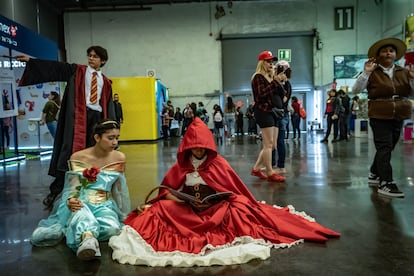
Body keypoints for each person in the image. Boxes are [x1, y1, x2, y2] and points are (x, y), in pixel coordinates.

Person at [109, 117, 340, 267]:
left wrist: (215, 199)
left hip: (214, 207)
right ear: (187, 146)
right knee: (160, 208)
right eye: (193, 146)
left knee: (238, 208)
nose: (198, 150)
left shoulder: (219, 163)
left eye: (202, 146)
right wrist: (179, 200)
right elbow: (167, 190)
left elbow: (231, 189)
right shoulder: (180, 166)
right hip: (186, 208)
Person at [17, 46, 116, 209]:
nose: (91, 59)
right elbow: (56, 68)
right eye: (89, 55)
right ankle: (55, 192)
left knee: (95, 156)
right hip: (78, 119)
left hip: (96, 120)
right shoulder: (77, 71)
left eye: (95, 57)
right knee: (70, 153)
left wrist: (110, 129)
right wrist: (32, 62)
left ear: (102, 61)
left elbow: (108, 104)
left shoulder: (105, 82)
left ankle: (92, 193)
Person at [30, 120, 130, 261]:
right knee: (83, 216)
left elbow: (118, 188)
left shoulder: (119, 158)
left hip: (104, 203)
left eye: (117, 138)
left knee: (111, 229)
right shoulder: (78, 157)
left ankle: (83, 232)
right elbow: (72, 187)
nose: (114, 142)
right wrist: (70, 199)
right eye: (110, 138)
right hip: (81, 199)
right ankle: (88, 240)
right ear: (97, 138)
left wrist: (121, 212)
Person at [352, 37, 414, 198]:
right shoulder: (373, 73)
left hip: (399, 113)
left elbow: (411, 92)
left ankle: (374, 172)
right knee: (384, 147)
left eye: (391, 51)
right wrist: (366, 72)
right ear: (378, 55)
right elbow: (356, 90)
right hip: (379, 113)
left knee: (389, 147)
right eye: (385, 51)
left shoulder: (404, 72)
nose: (388, 53)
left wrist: (413, 79)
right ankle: (386, 182)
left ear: (396, 55)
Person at [250, 50, 285, 182]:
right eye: (268, 61)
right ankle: (270, 171)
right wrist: (275, 81)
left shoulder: (270, 77)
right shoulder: (258, 77)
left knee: (272, 144)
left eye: (272, 61)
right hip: (263, 111)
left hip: (272, 111)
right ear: (262, 63)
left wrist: (280, 80)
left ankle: (257, 168)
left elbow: (281, 94)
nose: (271, 63)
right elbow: (261, 95)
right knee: (268, 144)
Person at [273, 60, 292, 173]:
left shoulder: (287, 85)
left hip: (282, 115)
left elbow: (284, 100)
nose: (279, 74)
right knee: (271, 142)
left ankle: (281, 165)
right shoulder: (274, 83)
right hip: (273, 115)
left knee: (280, 141)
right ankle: (271, 164)